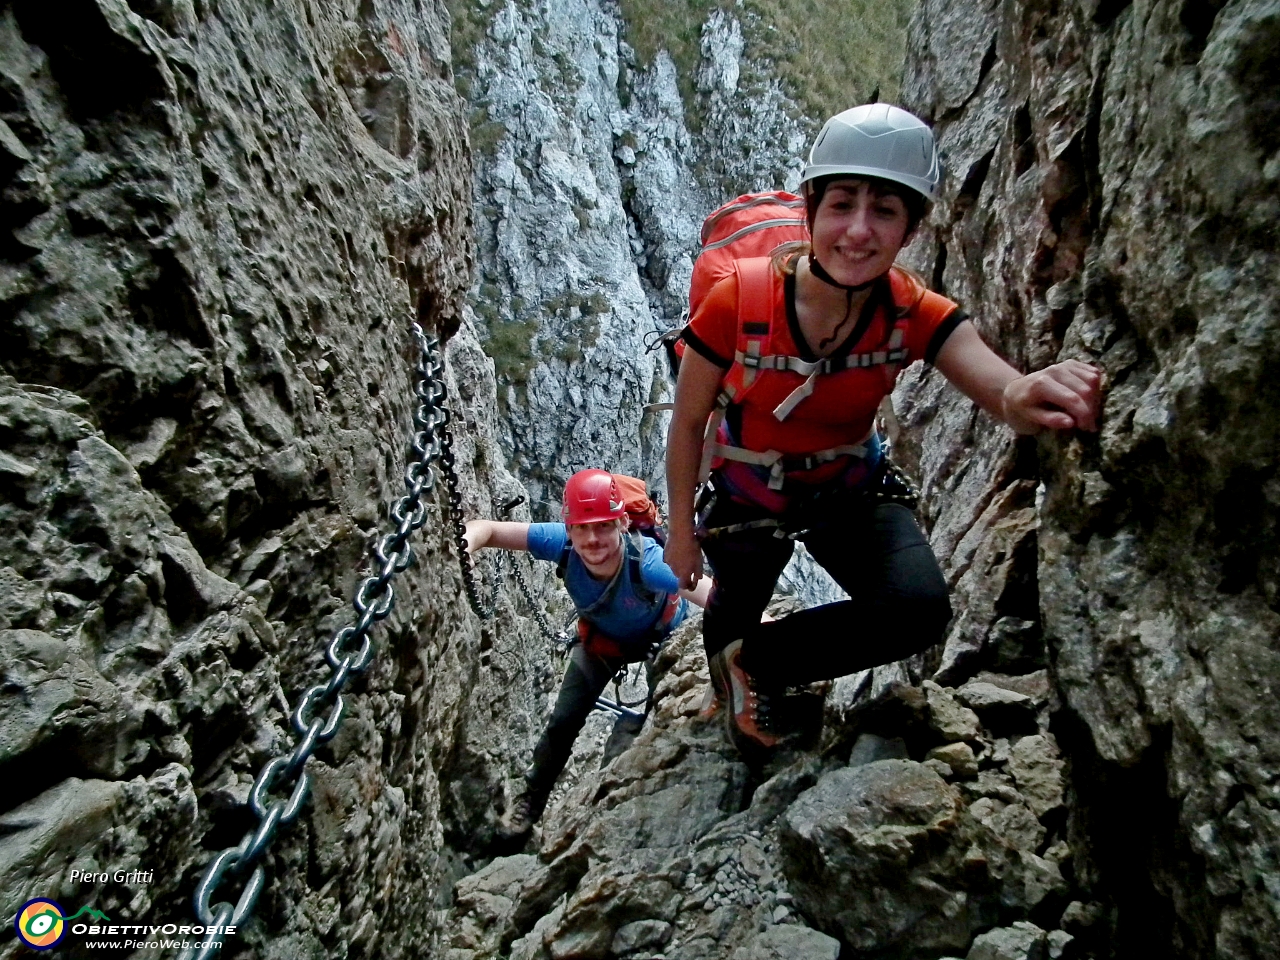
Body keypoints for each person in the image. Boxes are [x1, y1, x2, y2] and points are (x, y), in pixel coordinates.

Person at [664, 103, 1103, 757]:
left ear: (912, 228)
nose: (859, 232)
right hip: (748, 496)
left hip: (847, 486)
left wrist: (1028, 391)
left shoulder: (912, 311)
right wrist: (679, 535)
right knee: (737, 631)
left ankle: (754, 665)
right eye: (842, 204)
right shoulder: (739, 300)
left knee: (918, 609)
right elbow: (689, 419)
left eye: (886, 212)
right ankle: (732, 682)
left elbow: (998, 385)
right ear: (811, 205)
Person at [465, 469, 713, 838]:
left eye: (603, 526)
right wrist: (465, 546)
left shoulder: (646, 562)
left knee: (656, 727)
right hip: (602, 641)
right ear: (569, 529)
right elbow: (488, 529)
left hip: (662, 640)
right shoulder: (560, 543)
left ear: (623, 523)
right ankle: (531, 802)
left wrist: (766, 623)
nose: (592, 539)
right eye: (582, 528)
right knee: (562, 723)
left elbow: (710, 594)